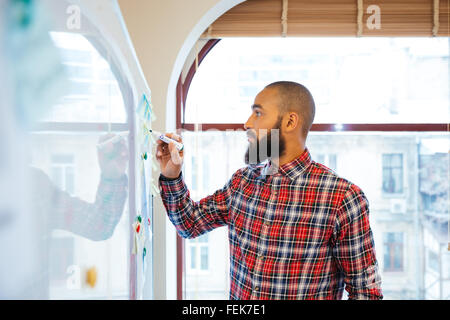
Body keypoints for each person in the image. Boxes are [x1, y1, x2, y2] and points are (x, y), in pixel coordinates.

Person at [156, 81, 383, 300]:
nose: (247, 123)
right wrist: (171, 173)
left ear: (290, 122)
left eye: (258, 113)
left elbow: (365, 292)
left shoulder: (342, 198)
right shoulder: (242, 183)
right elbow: (190, 224)